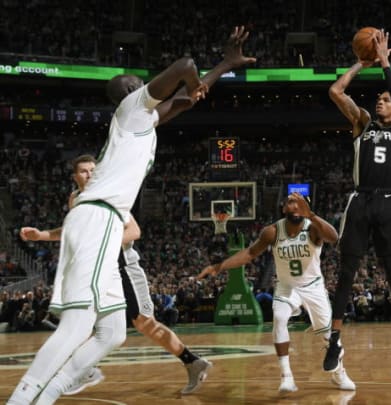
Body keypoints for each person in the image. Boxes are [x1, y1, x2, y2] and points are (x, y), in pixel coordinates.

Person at [8, 26, 256, 405]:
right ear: (131, 91)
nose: (147, 85)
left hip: (106, 223)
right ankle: (21, 399)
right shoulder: (131, 107)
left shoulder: (144, 121)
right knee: (77, 325)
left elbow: (188, 97)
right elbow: (186, 67)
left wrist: (223, 65)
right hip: (98, 218)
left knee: (113, 332)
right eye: (140, 83)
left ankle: (50, 393)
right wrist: (193, 76)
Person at [20, 154, 212, 395]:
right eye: (84, 171)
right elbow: (71, 231)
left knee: (143, 323)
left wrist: (101, 244)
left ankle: (192, 361)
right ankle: (87, 369)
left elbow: (134, 231)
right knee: (86, 319)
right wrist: (41, 235)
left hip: (123, 266)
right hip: (99, 268)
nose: (89, 174)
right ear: (75, 177)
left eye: (93, 170)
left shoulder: (109, 195)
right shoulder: (76, 200)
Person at [325, 29, 391, 379]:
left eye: (385, 99)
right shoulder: (362, 123)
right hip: (359, 201)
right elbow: (335, 91)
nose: (381, 101)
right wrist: (360, 64)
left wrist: (385, 63)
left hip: (388, 203)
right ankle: (334, 339)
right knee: (347, 270)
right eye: (378, 98)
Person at [198, 193, 356, 393]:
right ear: (284, 208)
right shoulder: (272, 231)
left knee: (328, 336)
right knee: (279, 318)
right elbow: (249, 253)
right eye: (291, 201)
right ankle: (286, 377)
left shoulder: (313, 227)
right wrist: (218, 267)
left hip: (313, 287)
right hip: (286, 286)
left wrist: (312, 215)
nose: (295, 205)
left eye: (300, 203)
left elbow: (334, 238)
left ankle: (339, 373)